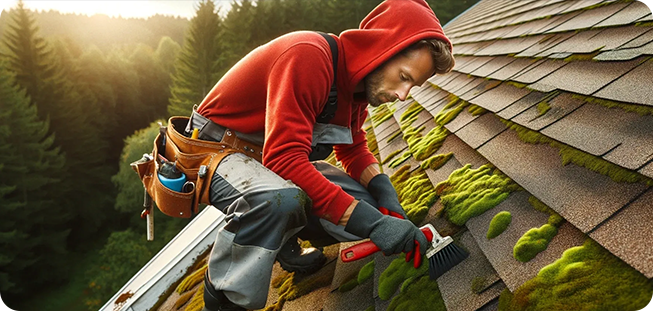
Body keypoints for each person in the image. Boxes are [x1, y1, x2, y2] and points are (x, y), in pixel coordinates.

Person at [187, 1, 455, 310]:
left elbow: (353, 149)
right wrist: (373, 225)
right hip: (212, 150)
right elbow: (284, 160)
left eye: (414, 86)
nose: (403, 95)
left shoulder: (355, 89)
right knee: (281, 201)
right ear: (380, 51)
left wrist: (386, 201)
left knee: (365, 208)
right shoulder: (309, 56)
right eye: (404, 77)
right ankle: (222, 298)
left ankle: (281, 243)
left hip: (262, 157)